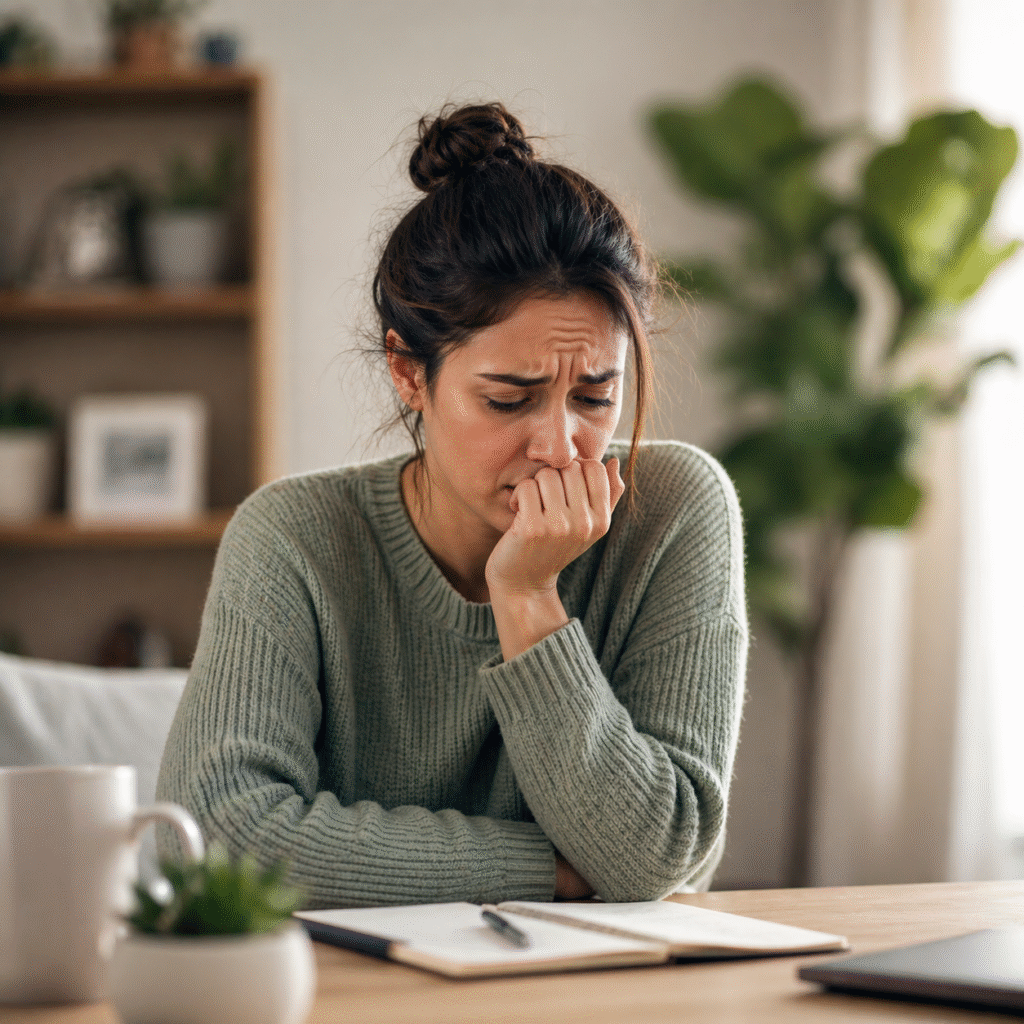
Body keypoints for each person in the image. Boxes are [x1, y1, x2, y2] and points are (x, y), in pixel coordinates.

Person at [156, 102, 748, 907]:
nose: (561, 445)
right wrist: (554, 871)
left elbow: (656, 855)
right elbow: (213, 839)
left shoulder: (676, 512)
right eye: (510, 400)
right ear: (408, 371)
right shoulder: (292, 538)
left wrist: (530, 597)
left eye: (596, 395)